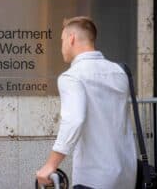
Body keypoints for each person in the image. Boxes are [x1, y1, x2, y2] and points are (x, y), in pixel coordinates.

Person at [36, 17, 137, 189]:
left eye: (62, 40)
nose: (61, 47)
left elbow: (74, 120)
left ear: (71, 38)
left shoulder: (72, 77)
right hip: (127, 176)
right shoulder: (120, 72)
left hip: (94, 177)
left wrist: (50, 165)